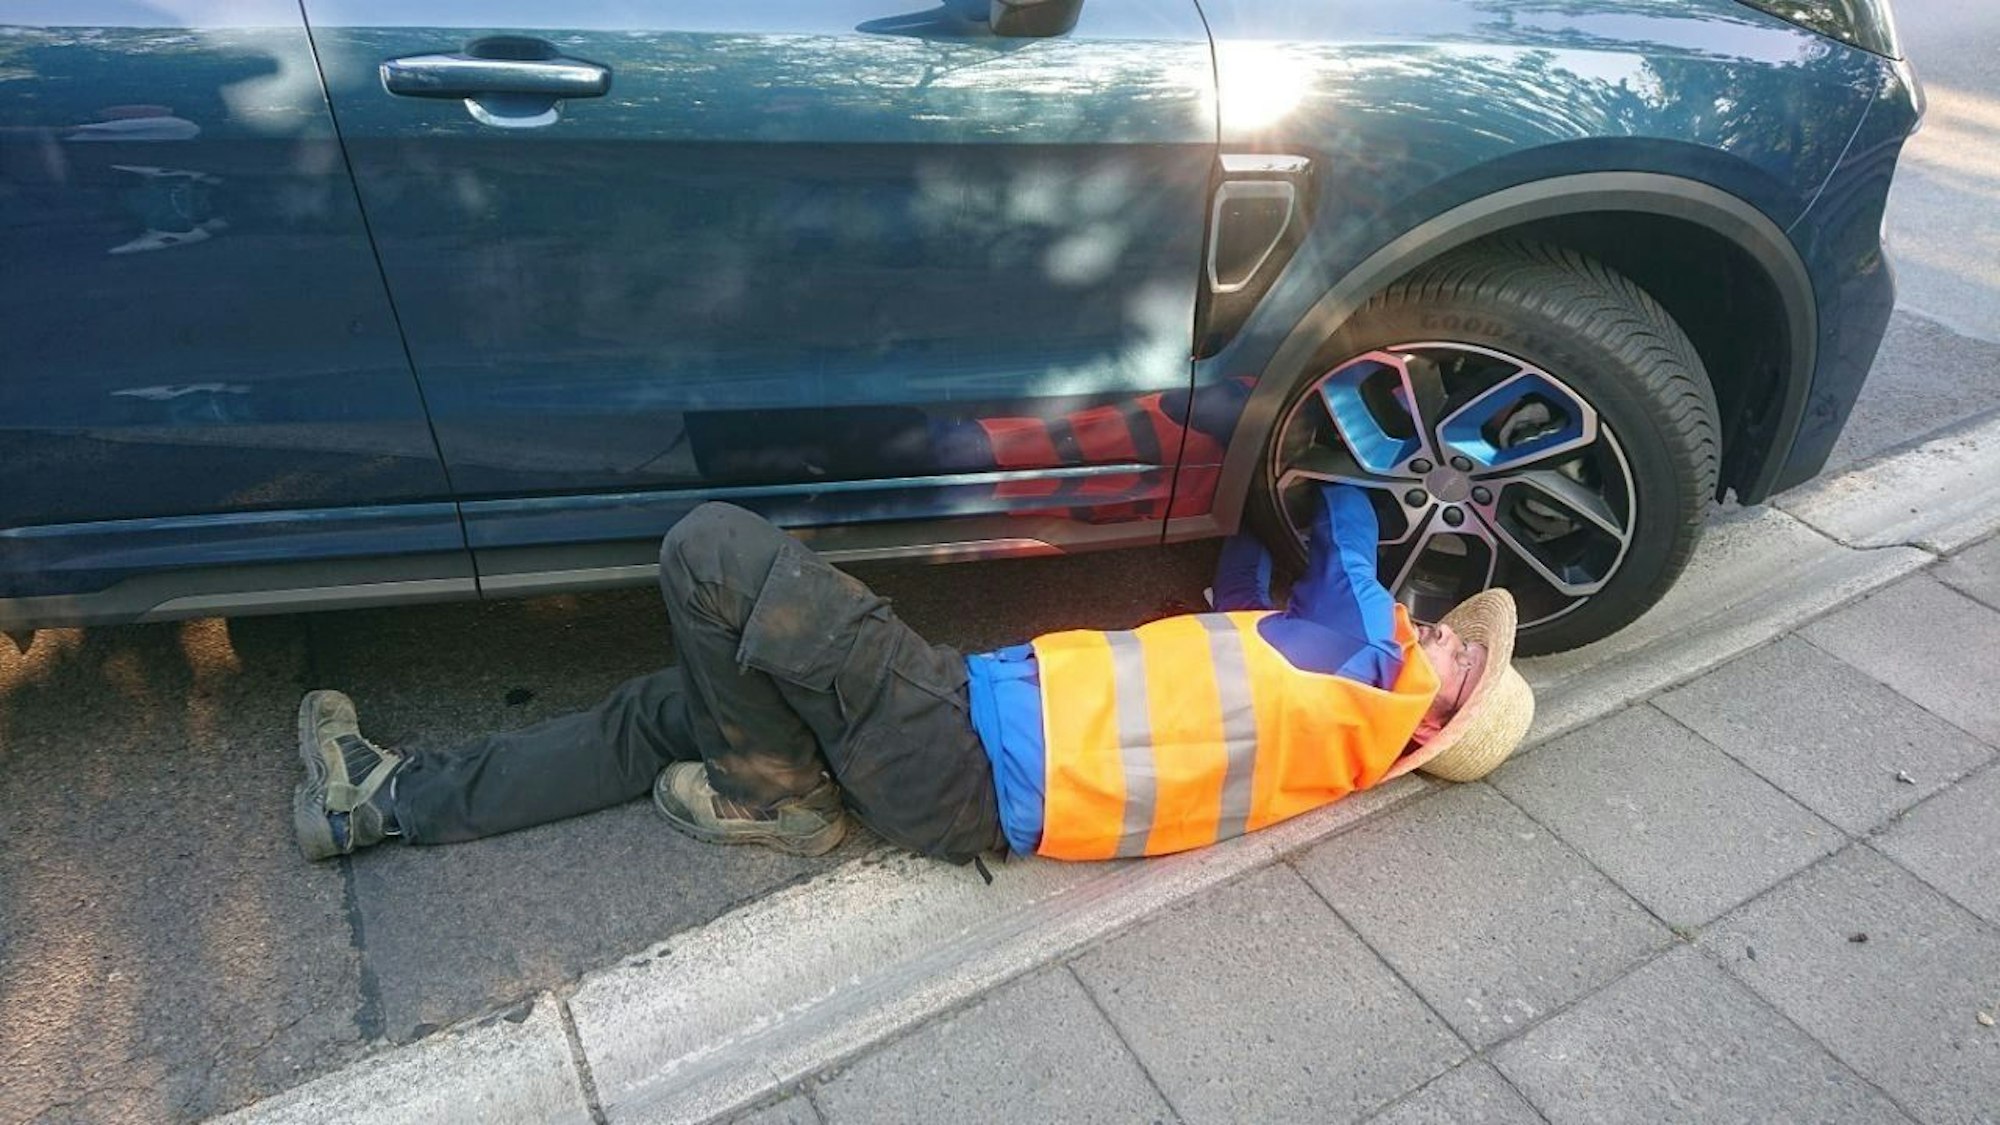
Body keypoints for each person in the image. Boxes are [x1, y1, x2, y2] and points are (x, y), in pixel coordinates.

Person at [291, 485, 1534, 868]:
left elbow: (1351, 535)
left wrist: (1346, 453)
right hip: (954, 783)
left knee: (708, 553)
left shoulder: (1362, 664)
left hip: (946, 734)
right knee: (669, 704)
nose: (1447, 639)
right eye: (1460, 637)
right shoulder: (1317, 715)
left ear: (1427, 725)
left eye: (1461, 663)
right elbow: (1260, 579)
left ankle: (778, 799)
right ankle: (382, 800)